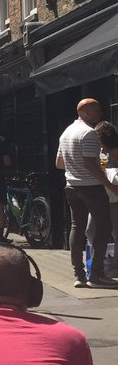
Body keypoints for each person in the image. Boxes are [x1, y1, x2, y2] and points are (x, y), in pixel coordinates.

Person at [56, 99, 118, 288]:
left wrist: (74, 168)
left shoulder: (66, 132)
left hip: (71, 186)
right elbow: (91, 164)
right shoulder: (89, 133)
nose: (99, 114)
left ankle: (79, 275)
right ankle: (97, 275)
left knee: (77, 227)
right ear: (84, 112)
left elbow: (59, 163)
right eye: (96, 111)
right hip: (91, 187)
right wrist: (109, 184)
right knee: (104, 226)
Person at [95, 121, 118, 271]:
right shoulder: (102, 153)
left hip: (110, 195)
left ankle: (111, 262)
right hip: (108, 195)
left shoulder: (109, 153)